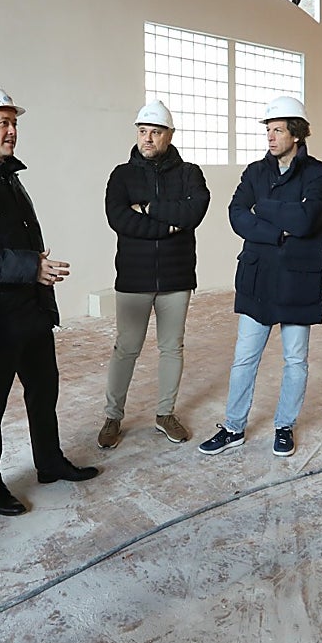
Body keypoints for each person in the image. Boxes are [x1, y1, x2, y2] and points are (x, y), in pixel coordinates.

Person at [0, 83, 98, 518]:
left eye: (14, 124)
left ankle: (49, 462)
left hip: (30, 309)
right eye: (4, 123)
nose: (12, 132)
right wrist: (30, 267)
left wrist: (34, 272)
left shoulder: (4, 174)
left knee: (44, 390)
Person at [198, 96, 322, 458]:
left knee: (295, 360)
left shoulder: (319, 173)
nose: (270, 137)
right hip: (258, 277)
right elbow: (236, 214)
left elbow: (307, 221)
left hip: (297, 281)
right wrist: (277, 230)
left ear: (297, 134)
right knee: (244, 358)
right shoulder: (255, 172)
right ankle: (233, 427)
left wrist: (264, 208)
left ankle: (284, 425)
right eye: (268, 130)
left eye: (277, 130)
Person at [99, 100, 210, 449]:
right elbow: (119, 219)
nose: (148, 139)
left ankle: (165, 414)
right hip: (134, 278)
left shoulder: (190, 173)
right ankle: (113, 417)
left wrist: (147, 210)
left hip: (176, 279)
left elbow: (194, 211)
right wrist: (169, 225)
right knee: (126, 348)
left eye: (156, 132)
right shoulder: (121, 175)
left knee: (171, 347)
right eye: (143, 131)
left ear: (170, 135)